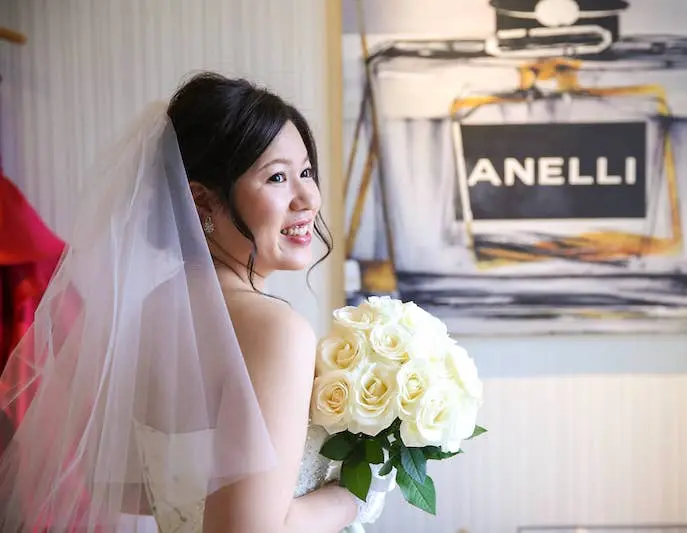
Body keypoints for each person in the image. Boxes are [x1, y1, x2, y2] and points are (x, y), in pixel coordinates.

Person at [0, 72, 395, 533]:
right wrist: (354, 495)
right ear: (201, 202)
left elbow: (116, 481)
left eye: (306, 172)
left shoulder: (151, 312)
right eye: (278, 177)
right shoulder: (276, 332)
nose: (308, 197)